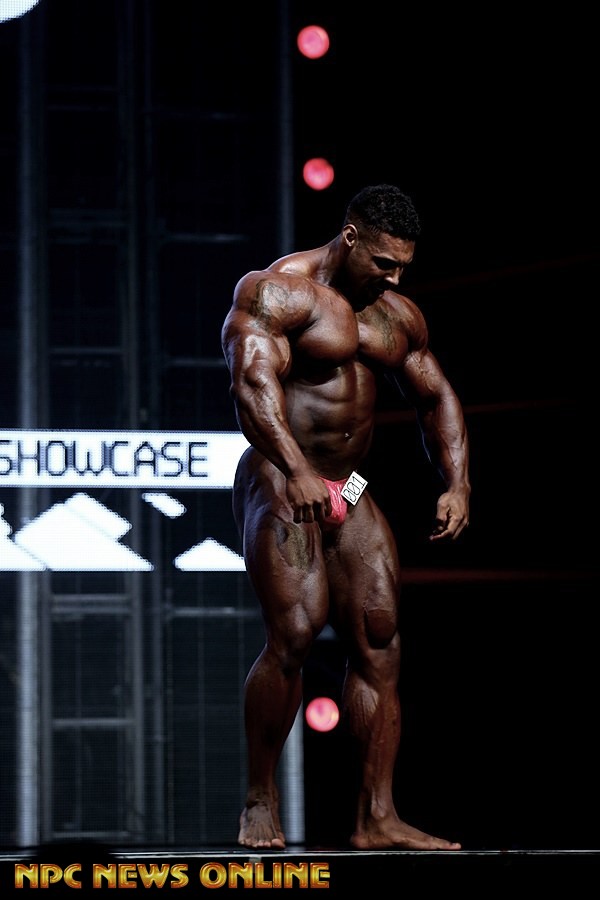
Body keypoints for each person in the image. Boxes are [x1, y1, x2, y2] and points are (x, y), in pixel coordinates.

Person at [221, 184, 470, 851]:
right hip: (280, 470)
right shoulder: (278, 292)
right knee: (295, 634)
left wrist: (458, 483)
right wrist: (296, 469)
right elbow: (251, 386)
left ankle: (376, 817)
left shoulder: (395, 316)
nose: (394, 278)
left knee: (381, 638)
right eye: (384, 263)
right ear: (351, 236)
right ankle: (259, 799)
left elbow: (435, 396)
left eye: (403, 267)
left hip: (351, 483)